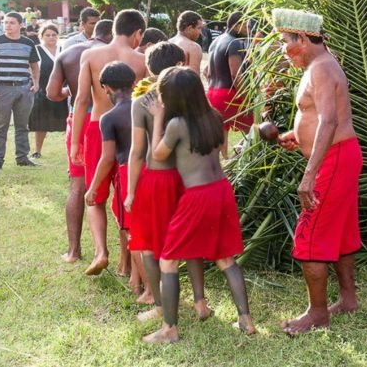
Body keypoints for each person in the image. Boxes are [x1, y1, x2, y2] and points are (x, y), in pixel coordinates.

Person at [143, 66, 254, 343]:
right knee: (225, 258)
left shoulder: (177, 124)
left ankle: (169, 329)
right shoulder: (214, 117)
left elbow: (158, 154)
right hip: (221, 190)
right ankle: (246, 320)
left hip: (198, 195)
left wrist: (157, 118)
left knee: (168, 260)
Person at [273, 8, 363, 335]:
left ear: (303, 38)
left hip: (334, 159)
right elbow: (322, 118)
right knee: (339, 231)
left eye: (286, 41)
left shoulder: (322, 68)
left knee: (309, 234)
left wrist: (309, 175)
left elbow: (330, 120)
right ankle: (348, 299)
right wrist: (299, 137)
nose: (284, 48)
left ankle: (318, 312)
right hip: (338, 155)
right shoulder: (319, 65)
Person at [125, 42, 211, 321]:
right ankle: (200, 301)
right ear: (182, 63)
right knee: (192, 239)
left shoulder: (142, 102)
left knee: (149, 243)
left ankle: (160, 304)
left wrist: (130, 192)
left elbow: (138, 151)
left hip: (157, 177)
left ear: (149, 69)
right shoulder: (191, 98)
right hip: (190, 178)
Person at [71, 10, 146, 276]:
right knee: (127, 197)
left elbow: (81, 100)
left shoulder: (90, 55)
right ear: (137, 33)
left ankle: (101, 251)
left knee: (96, 195)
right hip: (130, 130)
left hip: (97, 127)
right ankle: (127, 263)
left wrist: (75, 143)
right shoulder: (141, 59)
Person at [46, 19, 113, 263]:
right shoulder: (115, 52)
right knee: (118, 182)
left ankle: (74, 251)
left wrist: (69, 92)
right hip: (113, 119)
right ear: (110, 34)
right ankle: (127, 262)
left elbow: (52, 93)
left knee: (78, 184)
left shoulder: (70, 53)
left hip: (81, 121)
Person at [83, 61, 145, 294]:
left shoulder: (109, 117)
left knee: (132, 231)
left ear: (105, 88)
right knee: (145, 226)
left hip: (127, 173)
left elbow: (107, 158)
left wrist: (93, 188)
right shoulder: (148, 107)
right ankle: (137, 281)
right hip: (154, 170)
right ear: (133, 83)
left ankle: (146, 288)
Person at [206, 11, 254, 158]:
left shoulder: (215, 41)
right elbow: (235, 74)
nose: (248, 30)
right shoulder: (234, 43)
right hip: (229, 93)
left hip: (213, 91)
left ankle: (225, 160)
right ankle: (240, 158)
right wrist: (247, 97)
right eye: (246, 26)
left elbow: (207, 72)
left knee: (222, 128)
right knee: (254, 127)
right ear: (237, 25)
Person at [0, 12, 40, 171]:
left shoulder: (28, 43)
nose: (7, 25)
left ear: (21, 25)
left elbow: (34, 65)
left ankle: (22, 158)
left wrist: (36, 84)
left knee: (23, 125)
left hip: (24, 88)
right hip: (1, 89)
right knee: (0, 127)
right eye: (6, 22)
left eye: (12, 23)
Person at [28, 24, 69, 158]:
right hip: (43, 91)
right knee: (41, 123)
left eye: (54, 35)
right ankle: (37, 151)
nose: (51, 37)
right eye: (47, 35)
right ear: (42, 36)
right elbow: (32, 70)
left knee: (67, 122)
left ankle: (69, 151)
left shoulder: (64, 49)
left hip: (62, 91)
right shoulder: (37, 50)